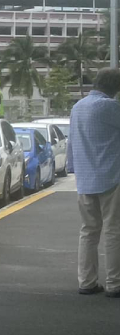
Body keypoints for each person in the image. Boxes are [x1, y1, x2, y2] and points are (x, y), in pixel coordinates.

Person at [66, 68, 120, 296]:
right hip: (111, 178)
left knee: (88, 231)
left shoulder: (77, 108)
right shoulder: (110, 107)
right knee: (113, 231)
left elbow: (71, 142)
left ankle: (86, 282)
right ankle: (115, 284)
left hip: (85, 179)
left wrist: (72, 168)